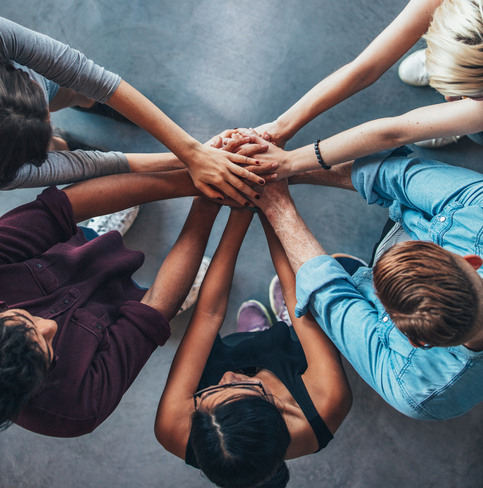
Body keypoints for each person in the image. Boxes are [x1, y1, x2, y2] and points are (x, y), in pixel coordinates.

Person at [254, 147, 483, 421]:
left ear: (416, 341)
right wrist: (286, 167)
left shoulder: (416, 390)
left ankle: (351, 271)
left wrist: (273, 201)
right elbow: (395, 175)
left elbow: (333, 297)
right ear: (471, 261)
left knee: (331, 290)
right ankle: (351, 269)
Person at [0, 165, 216, 437]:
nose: (50, 328)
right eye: (47, 350)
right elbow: (154, 311)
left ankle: (96, 236)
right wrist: (208, 202)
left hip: (71, 253)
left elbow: (62, 209)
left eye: (25, 321)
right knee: (157, 307)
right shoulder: (77, 408)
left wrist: (195, 178)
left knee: (83, 231)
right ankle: (167, 289)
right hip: (125, 312)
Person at [155, 192, 352, 487]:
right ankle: (281, 328)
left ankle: (256, 337)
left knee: (236, 341)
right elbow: (293, 290)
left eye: (207, 394)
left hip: (231, 348)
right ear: (276, 409)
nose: (226, 375)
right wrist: (269, 203)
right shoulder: (328, 402)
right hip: (291, 356)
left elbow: (208, 315)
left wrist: (243, 210)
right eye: (239, 386)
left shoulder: (173, 426)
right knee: (308, 311)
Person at [0, 16, 265, 205]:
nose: (48, 113)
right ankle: (58, 142)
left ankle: (83, 103)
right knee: (50, 149)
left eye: (43, 110)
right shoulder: (6, 172)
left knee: (72, 91)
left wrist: (193, 152)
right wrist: (192, 157)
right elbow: (85, 167)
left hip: (36, 91)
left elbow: (83, 73)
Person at [247, 0, 483, 174]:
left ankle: (460, 123)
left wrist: (290, 162)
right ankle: (456, 61)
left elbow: (396, 132)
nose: (449, 98)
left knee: (476, 125)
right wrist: (281, 127)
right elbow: (365, 68)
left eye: (473, 93)